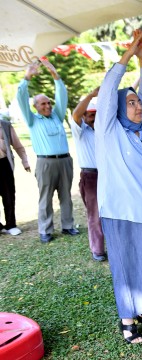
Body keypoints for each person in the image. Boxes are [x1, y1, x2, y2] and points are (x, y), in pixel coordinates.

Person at [95, 29, 142, 345]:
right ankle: (128, 320)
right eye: (131, 103)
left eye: (138, 102)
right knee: (127, 265)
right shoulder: (109, 131)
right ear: (116, 109)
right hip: (122, 212)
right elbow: (109, 88)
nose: (139, 107)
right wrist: (127, 55)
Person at [17, 58, 78, 243]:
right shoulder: (32, 120)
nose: (47, 106)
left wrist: (55, 75)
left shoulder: (57, 117)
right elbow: (20, 97)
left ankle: (68, 226)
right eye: (43, 104)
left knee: (66, 195)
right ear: (35, 107)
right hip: (45, 163)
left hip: (65, 161)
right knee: (46, 197)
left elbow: (62, 96)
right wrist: (27, 77)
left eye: (48, 103)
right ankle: (45, 230)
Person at [71, 88, 106, 261]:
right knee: (95, 215)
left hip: (107, 174)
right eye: (90, 115)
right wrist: (91, 96)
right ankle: (97, 249)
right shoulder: (80, 131)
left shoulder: (103, 131)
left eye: (95, 114)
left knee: (111, 212)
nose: (94, 117)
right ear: (85, 117)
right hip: (90, 177)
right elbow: (75, 114)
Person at [0, 112, 30, 236]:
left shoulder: (5, 125)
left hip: (4, 164)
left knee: (8, 195)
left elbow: (18, 146)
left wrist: (25, 162)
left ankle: (11, 224)